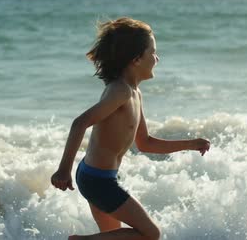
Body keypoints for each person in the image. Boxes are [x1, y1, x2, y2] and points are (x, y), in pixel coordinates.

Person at [51, 17, 210, 240]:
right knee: (150, 234)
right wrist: (63, 169)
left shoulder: (135, 93)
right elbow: (80, 123)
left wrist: (191, 144)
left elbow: (146, 143)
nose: (157, 58)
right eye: (152, 52)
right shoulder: (120, 92)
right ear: (136, 59)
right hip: (97, 181)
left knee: (111, 236)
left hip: (97, 176)